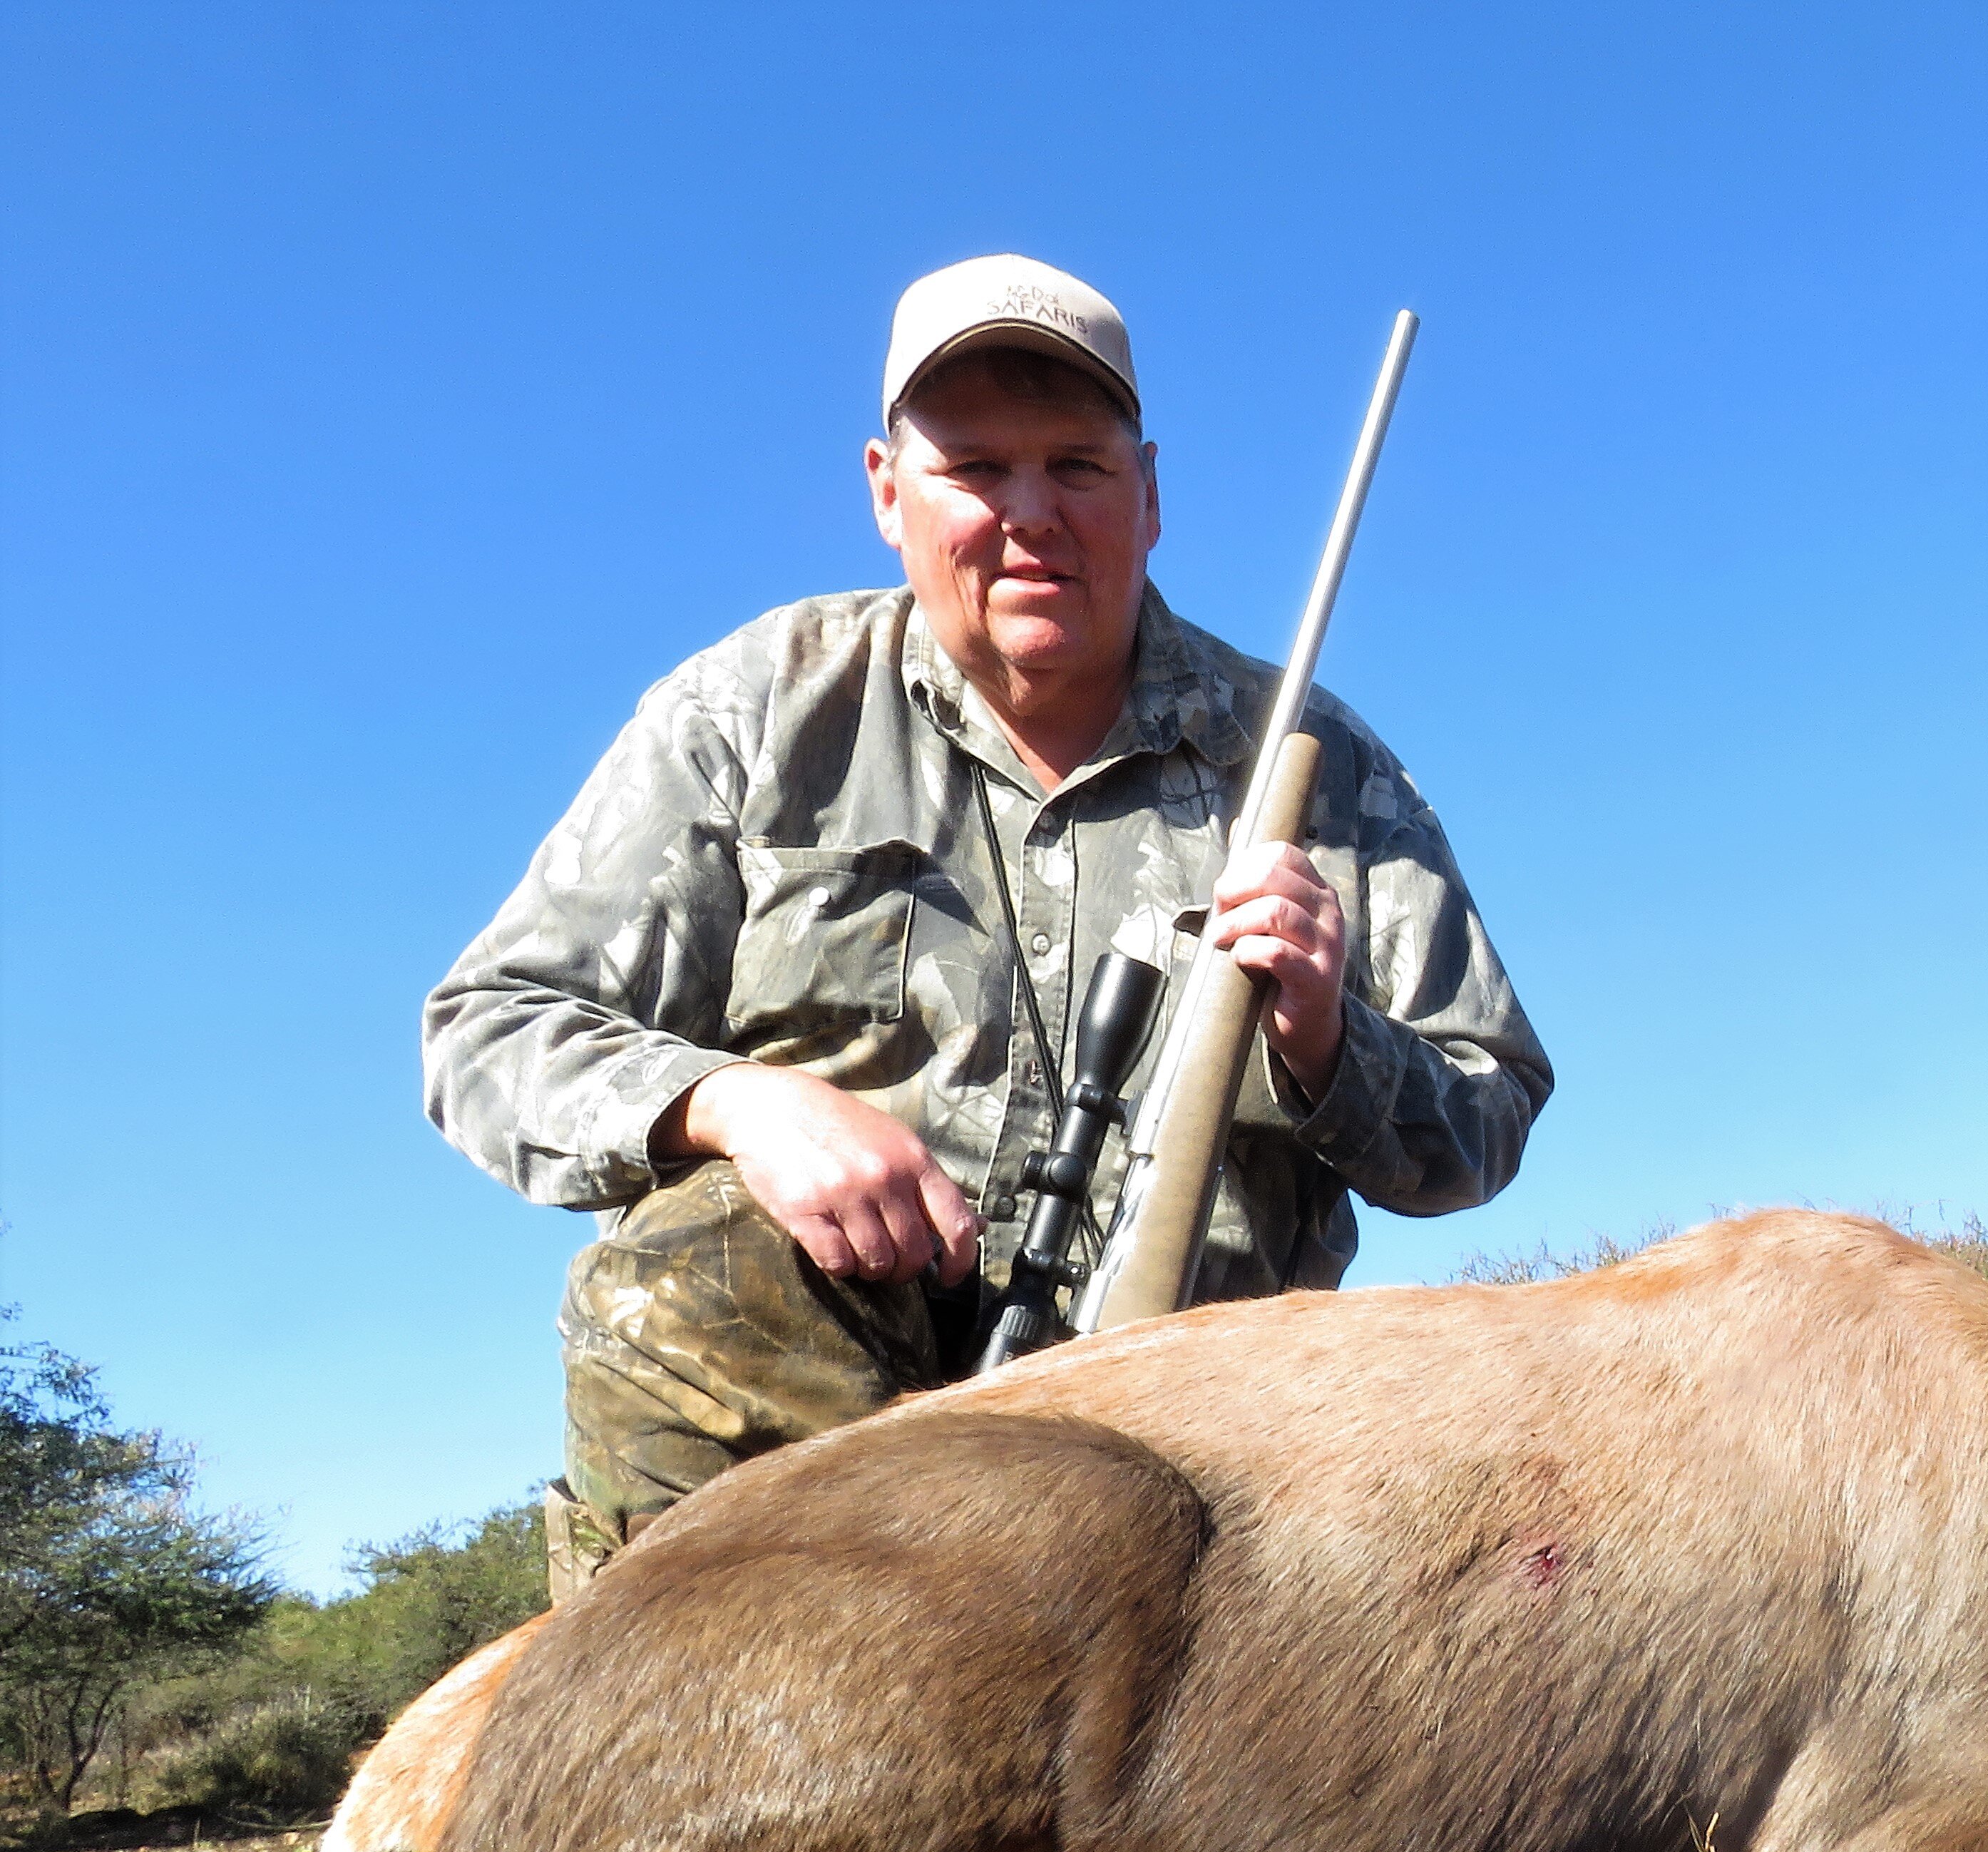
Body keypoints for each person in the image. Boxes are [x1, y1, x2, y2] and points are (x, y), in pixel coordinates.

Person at [425, 255, 1552, 1596]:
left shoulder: (1319, 763)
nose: (1031, 516)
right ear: (886, 493)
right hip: (832, 1443)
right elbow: (488, 1034)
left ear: (1149, 495)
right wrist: (739, 1105)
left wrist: (1327, 1037)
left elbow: (1480, 1120)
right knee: (695, 1265)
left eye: (1077, 466)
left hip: (1198, 1432)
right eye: (974, 470)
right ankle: (695, 1712)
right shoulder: (752, 711)